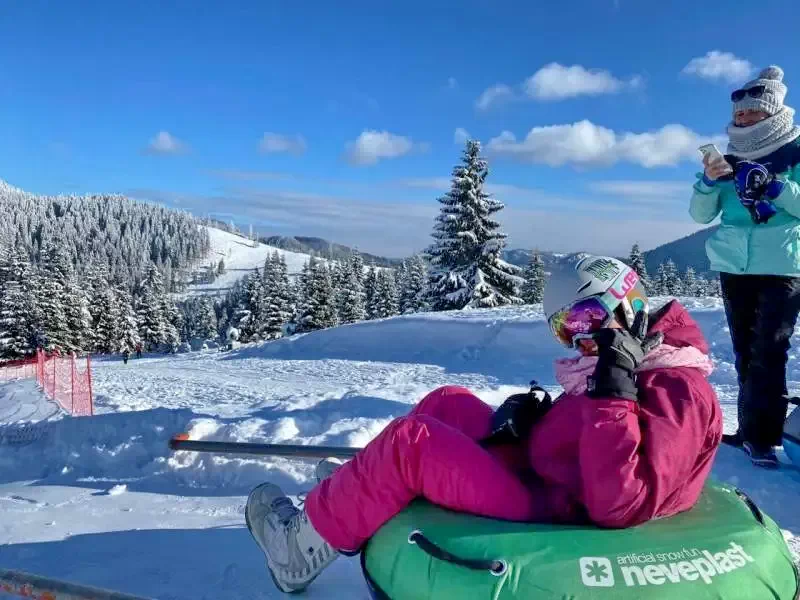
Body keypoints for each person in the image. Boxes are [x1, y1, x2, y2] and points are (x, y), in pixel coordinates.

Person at [244, 256, 722, 593]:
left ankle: (296, 552)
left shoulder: (677, 387)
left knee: (412, 444)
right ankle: (359, 495)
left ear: (630, 305)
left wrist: (611, 388)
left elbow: (620, 502)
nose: (579, 338)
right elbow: (597, 429)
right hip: (548, 472)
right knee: (448, 402)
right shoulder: (633, 359)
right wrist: (539, 422)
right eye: (566, 327)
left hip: (560, 507)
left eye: (588, 316)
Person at [689, 65, 800, 468]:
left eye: (751, 113)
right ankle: (752, 432)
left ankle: (764, 437)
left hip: (783, 265)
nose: (741, 118)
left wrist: (775, 187)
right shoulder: (730, 160)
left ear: (771, 112)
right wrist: (707, 182)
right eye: (738, 114)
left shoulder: (796, 152)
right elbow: (700, 215)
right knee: (744, 350)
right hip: (735, 266)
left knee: (769, 350)